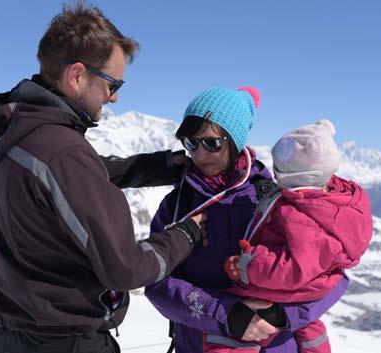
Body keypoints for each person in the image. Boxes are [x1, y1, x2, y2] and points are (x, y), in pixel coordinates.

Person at [0, 3, 205, 353]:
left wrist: (165, 166)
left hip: (6, 333)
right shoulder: (63, 151)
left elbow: (79, 174)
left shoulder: (11, 134)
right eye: (112, 83)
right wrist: (187, 233)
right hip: (65, 341)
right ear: (77, 75)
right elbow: (127, 268)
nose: (115, 96)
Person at [145, 87, 349, 353]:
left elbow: (333, 276)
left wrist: (282, 313)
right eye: (191, 143)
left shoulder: (274, 199)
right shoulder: (178, 205)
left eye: (211, 143)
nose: (200, 155)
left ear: (235, 140)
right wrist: (225, 314)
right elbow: (155, 280)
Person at [222, 119, 374, 353]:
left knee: (230, 337)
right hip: (314, 286)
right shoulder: (335, 201)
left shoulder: (301, 213)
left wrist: (248, 265)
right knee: (308, 325)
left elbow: (295, 268)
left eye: (279, 171)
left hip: (283, 288)